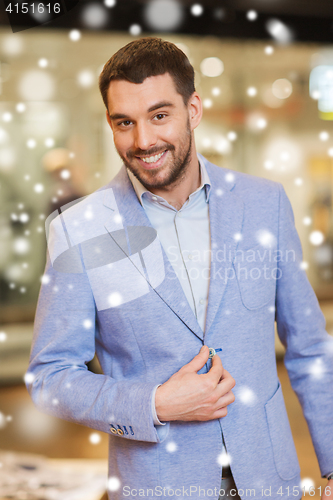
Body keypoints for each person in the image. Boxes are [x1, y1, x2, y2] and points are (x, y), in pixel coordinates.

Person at [26, 37, 333, 500]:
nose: (143, 140)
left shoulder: (263, 203)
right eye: (123, 122)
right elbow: (50, 376)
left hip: (270, 482)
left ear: (193, 109)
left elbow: (310, 349)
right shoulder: (79, 229)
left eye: (159, 115)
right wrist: (154, 403)